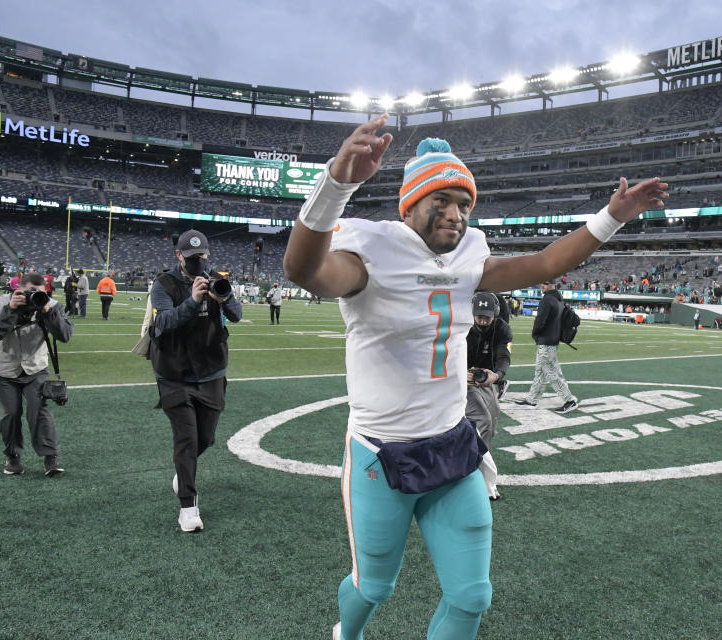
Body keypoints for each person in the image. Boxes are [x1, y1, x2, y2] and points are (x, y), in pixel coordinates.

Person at [282, 113, 666, 640]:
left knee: (471, 597)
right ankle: (345, 634)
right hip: (381, 450)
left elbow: (544, 263)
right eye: (441, 200)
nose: (456, 214)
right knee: (374, 587)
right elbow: (306, 273)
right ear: (409, 204)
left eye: (464, 204)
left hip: (453, 444)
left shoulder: (468, 255)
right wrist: (336, 186)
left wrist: (611, 217)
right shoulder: (374, 249)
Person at [149, 229, 242, 532]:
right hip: (174, 373)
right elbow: (162, 324)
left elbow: (237, 315)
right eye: (191, 258)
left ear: (208, 254)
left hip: (211, 371)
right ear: (179, 256)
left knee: (206, 438)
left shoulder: (217, 279)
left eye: (201, 257)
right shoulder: (164, 284)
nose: (197, 263)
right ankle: (188, 506)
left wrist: (224, 297)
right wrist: (192, 301)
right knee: (187, 439)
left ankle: (183, 469)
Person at [0, 273, 73, 475]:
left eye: (41, 293)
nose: (35, 296)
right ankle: (12, 457)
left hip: (35, 367)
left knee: (38, 409)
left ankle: (51, 458)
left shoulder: (51, 305)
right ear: (18, 290)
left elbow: (65, 335)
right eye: (30, 292)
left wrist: (49, 313)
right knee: (11, 413)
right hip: (2, 369)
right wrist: (11, 310)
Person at [514, 280, 579, 413]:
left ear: (552, 284)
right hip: (553, 340)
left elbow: (540, 321)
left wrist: (535, 334)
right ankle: (532, 400)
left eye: (545, 283)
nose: (542, 285)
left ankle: (569, 400)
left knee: (551, 373)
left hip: (545, 341)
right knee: (541, 372)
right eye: (542, 283)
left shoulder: (547, 300)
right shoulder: (559, 300)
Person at [465, 292, 513, 454]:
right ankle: (478, 468)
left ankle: (484, 458)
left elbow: (504, 356)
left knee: (492, 420)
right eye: (479, 317)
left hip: (486, 378)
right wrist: (459, 373)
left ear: (496, 314)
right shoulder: (461, 326)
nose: (484, 321)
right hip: (460, 379)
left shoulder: (502, 329)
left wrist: (497, 375)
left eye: (487, 317)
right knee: (482, 421)